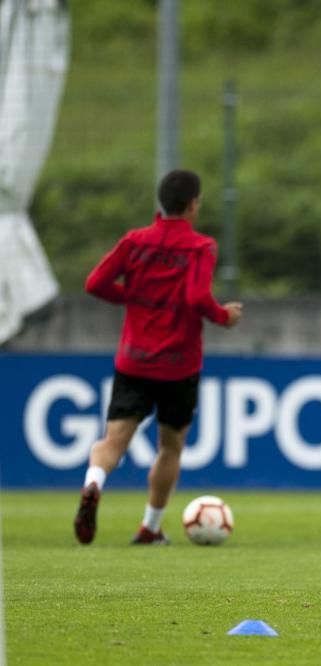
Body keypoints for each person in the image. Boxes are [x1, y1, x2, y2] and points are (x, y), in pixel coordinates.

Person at [73, 169, 243, 545]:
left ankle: (94, 482)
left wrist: (131, 299)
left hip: (134, 360)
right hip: (178, 365)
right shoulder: (200, 247)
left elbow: (95, 283)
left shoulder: (135, 242)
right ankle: (150, 527)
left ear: (161, 203)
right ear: (193, 204)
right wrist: (223, 316)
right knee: (170, 447)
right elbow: (197, 297)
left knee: (112, 442)